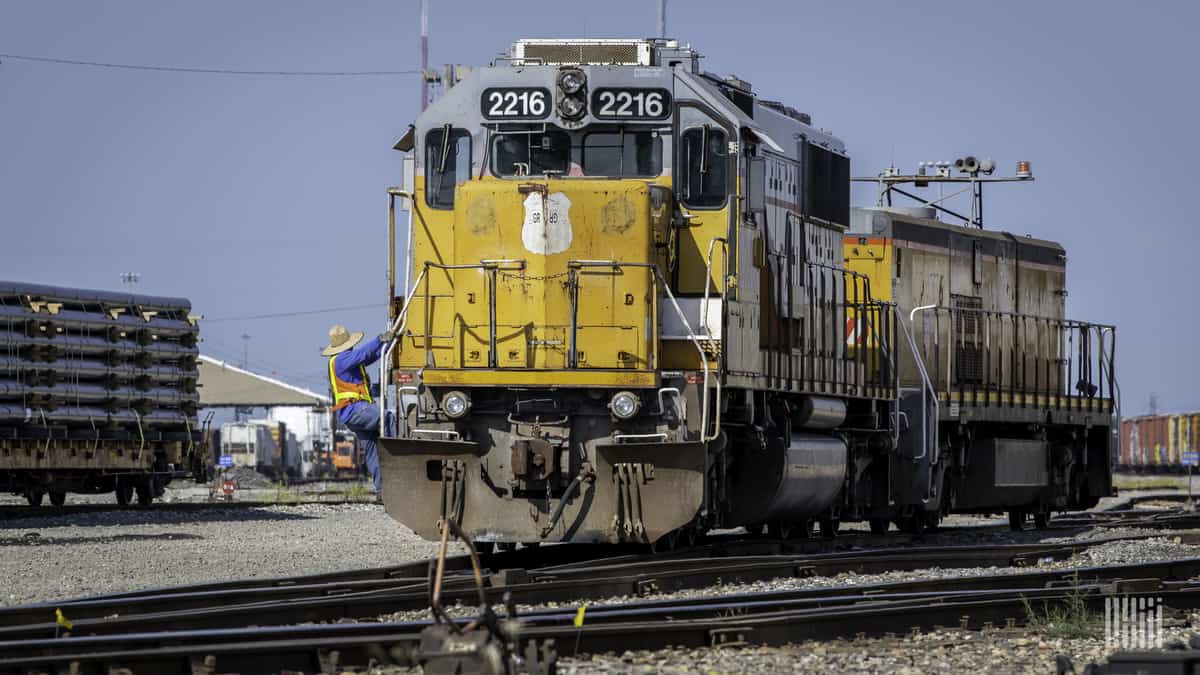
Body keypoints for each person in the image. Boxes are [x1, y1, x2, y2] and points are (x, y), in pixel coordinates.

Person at [323, 324, 393, 493]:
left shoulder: (345, 361)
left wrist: (390, 344)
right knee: (389, 418)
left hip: (351, 413)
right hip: (355, 409)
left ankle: (381, 491)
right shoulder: (341, 359)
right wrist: (379, 339)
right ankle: (401, 458)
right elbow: (364, 353)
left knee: (371, 449)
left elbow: (373, 355)